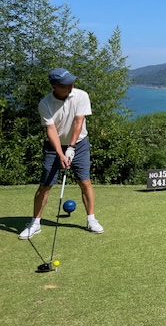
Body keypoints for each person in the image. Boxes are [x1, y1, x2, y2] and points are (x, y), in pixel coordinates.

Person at [19, 68, 104, 239]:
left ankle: (91, 219)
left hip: (79, 144)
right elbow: (51, 130)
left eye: (71, 82)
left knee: (85, 182)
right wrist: (60, 153)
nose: (70, 86)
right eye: (66, 84)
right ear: (55, 86)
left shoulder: (81, 96)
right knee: (45, 185)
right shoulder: (45, 104)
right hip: (53, 146)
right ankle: (35, 223)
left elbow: (78, 122)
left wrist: (71, 148)